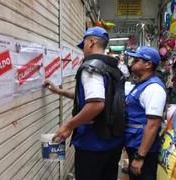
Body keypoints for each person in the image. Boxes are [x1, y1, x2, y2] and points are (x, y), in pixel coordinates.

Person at [43, 26, 124, 180]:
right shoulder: (113, 68)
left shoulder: (90, 68)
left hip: (93, 143)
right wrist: (60, 91)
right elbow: (96, 96)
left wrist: (68, 125)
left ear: (91, 42)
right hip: (113, 141)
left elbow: (96, 103)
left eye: (84, 45)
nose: (83, 50)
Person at [124, 46, 167, 180]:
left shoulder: (153, 88)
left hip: (143, 150)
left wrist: (140, 157)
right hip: (135, 145)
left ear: (148, 64)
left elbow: (153, 125)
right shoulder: (142, 84)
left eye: (136, 60)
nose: (132, 62)